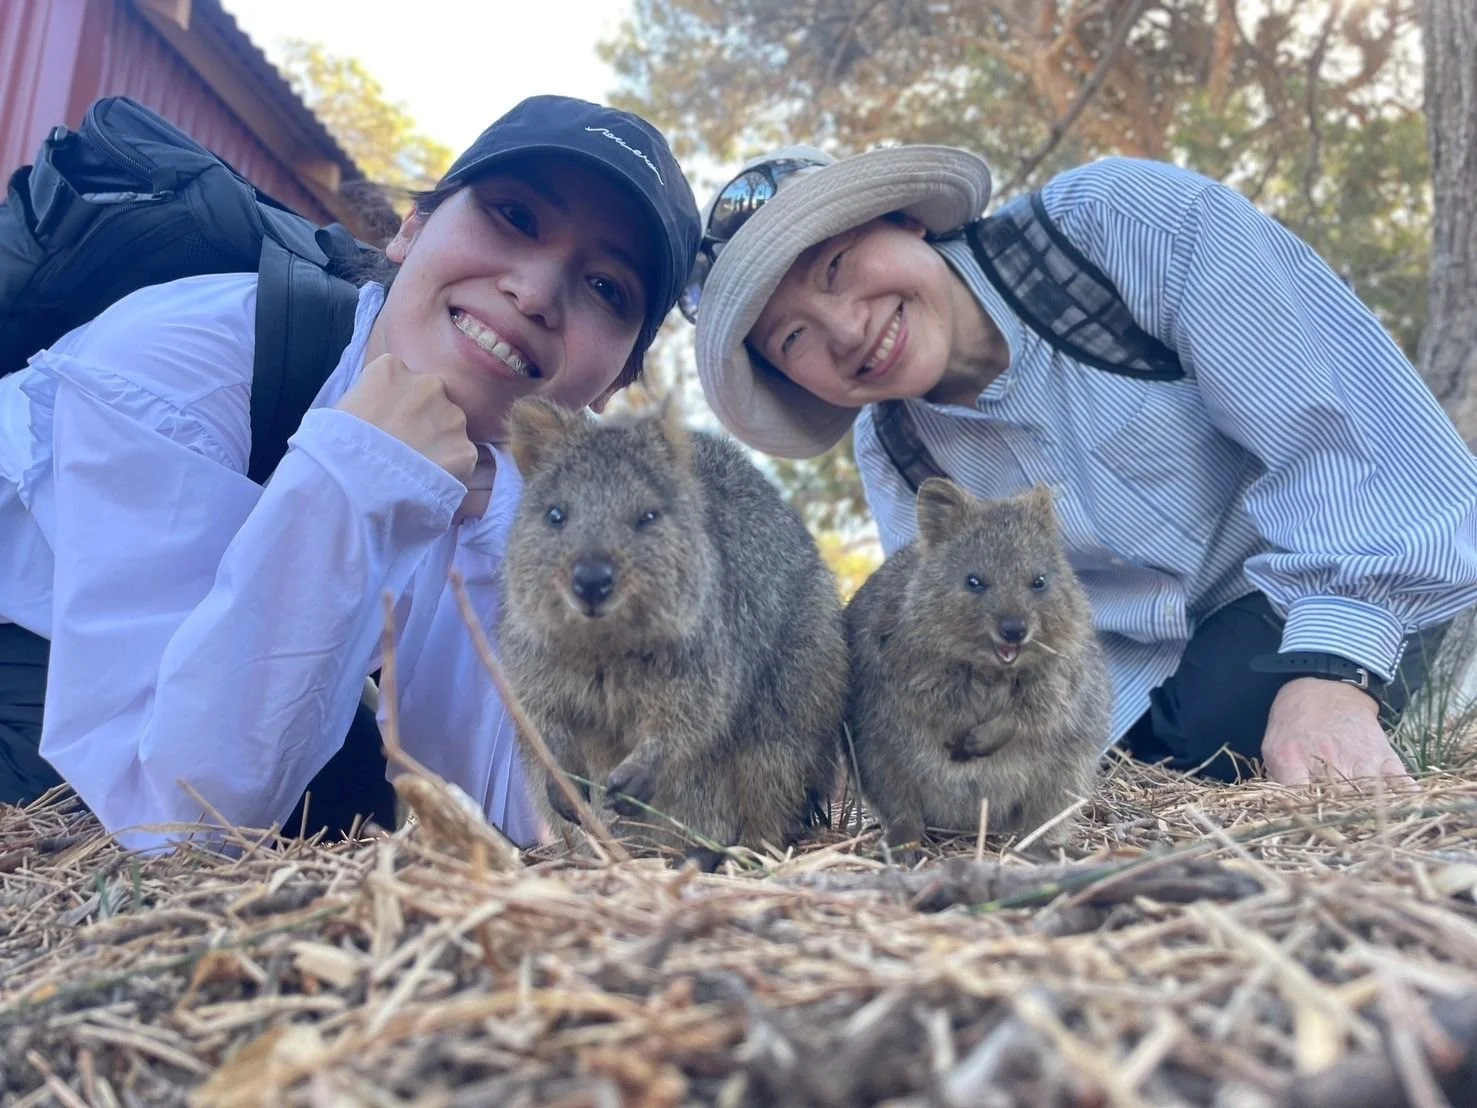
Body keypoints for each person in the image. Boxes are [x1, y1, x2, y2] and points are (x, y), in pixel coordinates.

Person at [0, 94, 701, 850]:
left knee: (363, 805)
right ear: (413, 227)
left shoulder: (518, 492)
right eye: (515, 216)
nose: (533, 292)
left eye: (605, 288)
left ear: (607, 388)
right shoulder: (188, 360)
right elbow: (181, 824)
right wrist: (360, 476)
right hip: (39, 665)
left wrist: (503, 532)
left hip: (196, 708)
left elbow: (494, 810)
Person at [681, 142, 1477, 788]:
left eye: (836, 267)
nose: (845, 331)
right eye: (792, 340)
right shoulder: (896, 448)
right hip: (1128, 690)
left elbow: (1348, 446)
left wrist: (1329, 676)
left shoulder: (1116, 227)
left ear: (904, 221)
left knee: (1204, 730)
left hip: (1303, 590)